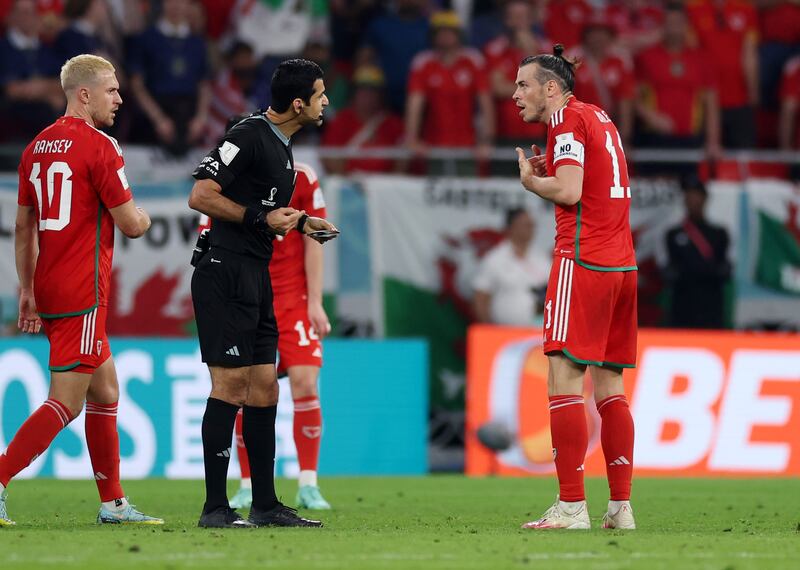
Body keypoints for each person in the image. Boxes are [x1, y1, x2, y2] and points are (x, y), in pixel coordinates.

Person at [0, 54, 161, 526]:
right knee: (66, 401)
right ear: (84, 94)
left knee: (105, 389)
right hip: (82, 290)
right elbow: (131, 225)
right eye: (112, 90)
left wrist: (27, 290)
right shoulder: (101, 146)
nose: (120, 98)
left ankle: (112, 503)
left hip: (50, 286)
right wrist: (145, 214)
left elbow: (23, 226)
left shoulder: (36, 147)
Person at [187, 58, 337, 529]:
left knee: (265, 388)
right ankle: (215, 507)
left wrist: (301, 222)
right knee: (230, 386)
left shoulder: (284, 149)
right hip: (224, 273)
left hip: (257, 274)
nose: (327, 101)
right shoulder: (249, 134)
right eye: (320, 94)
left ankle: (267, 505)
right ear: (299, 103)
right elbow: (201, 195)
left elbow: (266, 209)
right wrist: (260, 219)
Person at [513, 45, 637, 530]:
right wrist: (555, 176)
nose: (516, 94)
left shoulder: (565, 118)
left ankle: (570, 506)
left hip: (582, 259)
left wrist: (530, 182)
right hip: (622, 266)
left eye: (524, 84)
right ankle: (620, 508)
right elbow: (587, 180)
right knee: (610, 387)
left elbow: (569, 190)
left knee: (563, 380)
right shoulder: (598, 116)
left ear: (551, 87)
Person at [225, 161, 333, 511]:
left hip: (292, 299)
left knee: (304, 381)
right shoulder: (225, 179)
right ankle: (246, 484)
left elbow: (316, 237)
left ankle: (308, 483)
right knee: (247, 389)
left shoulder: (302, 175)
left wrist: (315, 302)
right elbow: (212, 240)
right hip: (248, 296)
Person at [405, 10, 494, 173]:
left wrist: (486, 140)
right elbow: (415, 103)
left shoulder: (473, 60)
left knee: (467, 192)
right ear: (433, 36)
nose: (445, 36)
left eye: (449, 31)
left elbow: (485, 103)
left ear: (459, 35)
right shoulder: (423, 62)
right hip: (433, 146)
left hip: (468, 146)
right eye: (440, 32)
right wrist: (412, 138)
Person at [665, 178, 731, 329]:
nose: (692, 199)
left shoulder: (719, 234)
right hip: (682, 308)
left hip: (711, 308)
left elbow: (723, 269)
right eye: (688, 195)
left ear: (705, 199)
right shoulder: (673, 234)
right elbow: (674, 269)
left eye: (696, 195)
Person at [321, 64, 404, 174]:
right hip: (349, 185)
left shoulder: (394, 124)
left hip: (385, 185)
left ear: (381, 94)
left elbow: (403, 161)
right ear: (354, 93)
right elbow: (329, 159)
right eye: (362, 90)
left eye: (373, 91)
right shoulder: (341, 121)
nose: (367, 95)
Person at [472, 208, 550, 326]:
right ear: (511, 227)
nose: (530, 229)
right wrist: (488, 329)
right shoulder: (495, 258)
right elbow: (481, 297)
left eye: (532, 225)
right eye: (526, 225)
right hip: (504, 333)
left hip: (537, 333)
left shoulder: (541, 258)